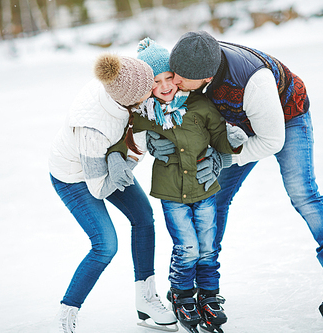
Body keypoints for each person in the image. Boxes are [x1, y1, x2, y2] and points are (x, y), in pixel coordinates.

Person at [146, 31, 323, 327]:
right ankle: (201, 284)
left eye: (178, 78)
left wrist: (224, 158)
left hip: (285, 118)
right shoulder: (191, 64)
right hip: (239, 123)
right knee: (214, 197)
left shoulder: (253, 82)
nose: (173, 82)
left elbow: (271, 141)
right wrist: (152, 138)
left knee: (302, 192)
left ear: (204, 78)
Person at [111, 37, 248, 333]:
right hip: (172, 194)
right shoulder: (145, 114)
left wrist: (232, 143)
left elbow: (220, 139)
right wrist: (119, 155)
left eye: (168, 77)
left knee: (208, 247)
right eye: (155, 81)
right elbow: (124, 140)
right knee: (187, 247)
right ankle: (183, 296)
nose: (164, 86)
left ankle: (209, 297)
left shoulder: (201, 105)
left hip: (205, 188)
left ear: (178, 75)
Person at [48, 53, 177, 333]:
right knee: (105, 244)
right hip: (74, 177)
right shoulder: (92, 126)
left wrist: (126, 156)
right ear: (130, 98)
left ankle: (145, 298)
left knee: (143, 215)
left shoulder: (126, 89)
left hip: (104, 163)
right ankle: (67, 311)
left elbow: (136, 140)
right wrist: (120, 161)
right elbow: (98, 188)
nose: (153, 92)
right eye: (148, 89)